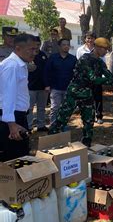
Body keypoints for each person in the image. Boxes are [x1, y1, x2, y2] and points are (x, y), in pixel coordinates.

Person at [48, 37, 113, 147]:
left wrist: (112, 79)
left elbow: (109, 76)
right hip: (74, 92)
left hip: (87, 93)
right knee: (61, 119)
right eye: (104, 49)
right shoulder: (85, 59)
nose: (106, 51)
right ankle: (49, 143)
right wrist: (108, 80)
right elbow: (93, 79)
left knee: (89, 121)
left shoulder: (99, 62)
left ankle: (86, 146)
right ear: (97, 47)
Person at [0, 33, 36, 161]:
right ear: (18, 48)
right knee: (13, 158)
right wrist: (11, 124)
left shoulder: (20, 64)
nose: (34, 53)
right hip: (11, 118)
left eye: (35, 49)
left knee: (21, 156)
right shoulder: (11, 66)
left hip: (18, 116)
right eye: (31, 49)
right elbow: (7, 96)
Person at [44, 38, 77, 125]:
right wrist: (47, 85)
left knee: (66, 109)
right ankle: (53, 127)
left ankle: (63, 126)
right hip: (55, 88)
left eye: (67, 45)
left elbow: (76, 73)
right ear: (59, 46)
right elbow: (47, 72)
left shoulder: (73, 59)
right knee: (55, 108)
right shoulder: (53, 58)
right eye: (64, 45)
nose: (66, 46)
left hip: (68, 88)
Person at [77, 31, 104, 124]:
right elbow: (78, 64)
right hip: (85, 78)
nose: (90, 40)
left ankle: (99, 116)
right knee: (86, 97)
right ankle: (88, 116)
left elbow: (103, 64)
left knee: (98, 97)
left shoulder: (99, 49)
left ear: (95, 39)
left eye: (92, 38)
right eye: (88, 38)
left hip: (97, 77)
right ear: (85, 39)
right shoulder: (80, 50)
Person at [27, 36, 49, 132]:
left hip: (43, 87)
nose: (37, 46)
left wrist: (47, 84)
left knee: (41, 108)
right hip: (30, 87)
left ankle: (41, 125)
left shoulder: (43, 55)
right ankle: (29, 126)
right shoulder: (27, 55)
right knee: (29, 108)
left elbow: (47, 71)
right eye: (35, 44)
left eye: (38, 44)